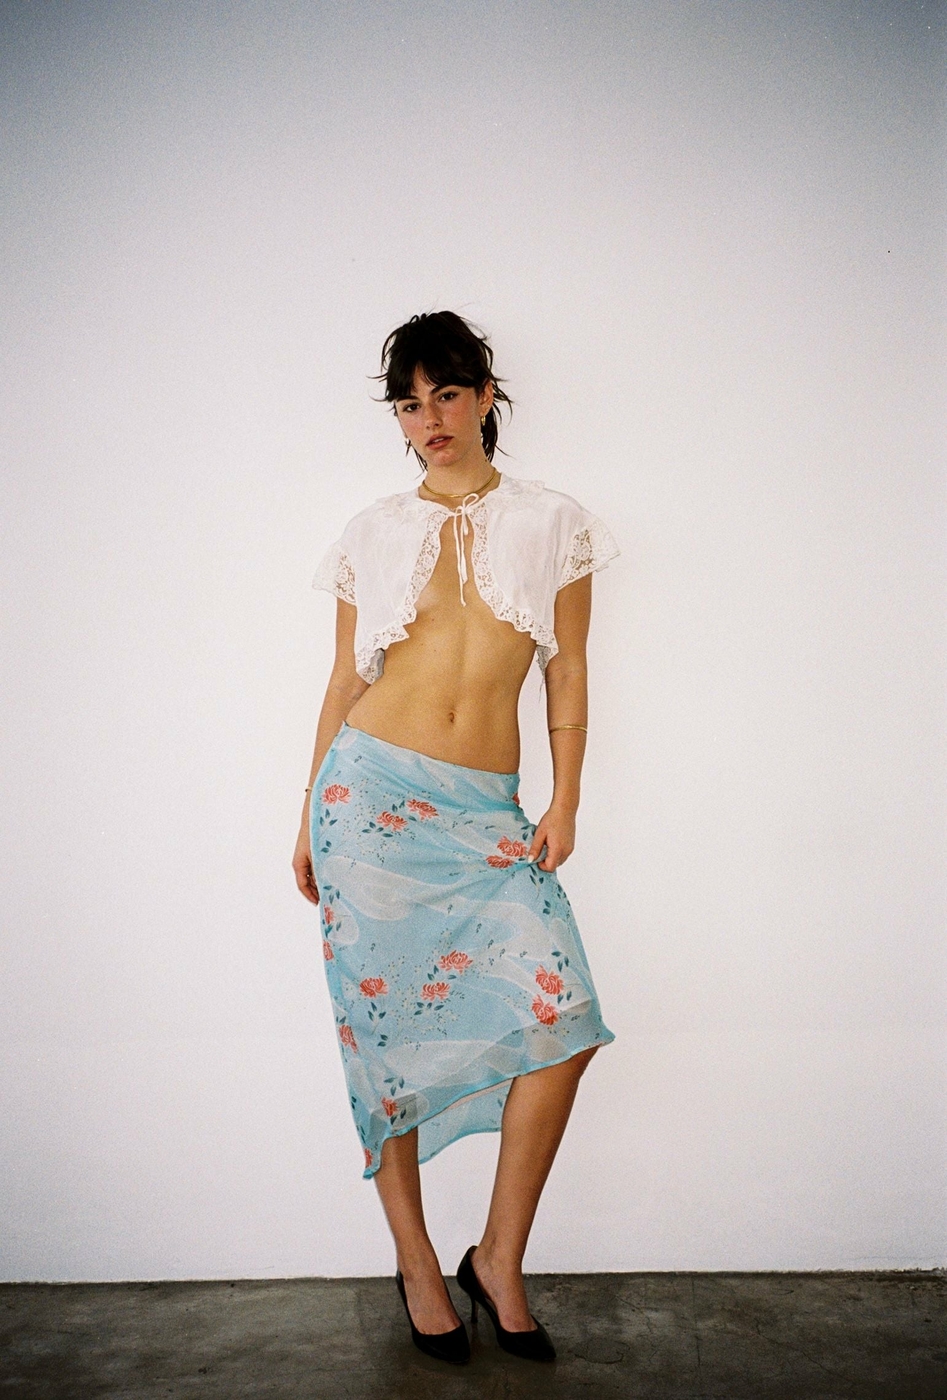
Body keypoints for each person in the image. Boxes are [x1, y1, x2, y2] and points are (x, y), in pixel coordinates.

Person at [292, 311, 619, 1365]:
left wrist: (564, 800)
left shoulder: (553, 522)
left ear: (484, 397)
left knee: (563, 1024)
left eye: (444, 394)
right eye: (407, 402)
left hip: (484, 814)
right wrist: (304, 811)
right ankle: (418, 1263)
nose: (426, 418)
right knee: (381, 1039)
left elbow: (567, 669)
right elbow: (343, 680)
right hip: (368, 802)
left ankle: (498, 1258)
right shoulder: (372, 531)